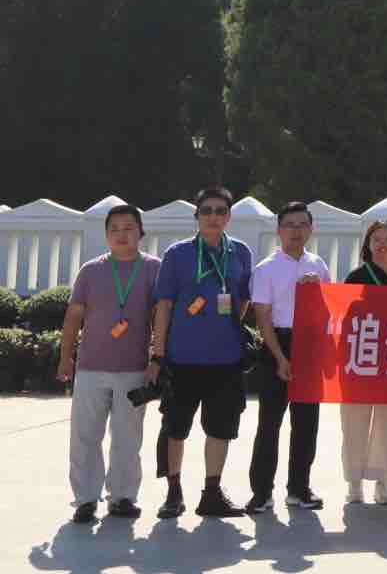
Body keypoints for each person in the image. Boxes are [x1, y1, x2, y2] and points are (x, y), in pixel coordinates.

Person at [149, 186, 256, 519]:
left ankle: (212, 493)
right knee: (175, 428)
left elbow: (243, 300)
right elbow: (164, 306)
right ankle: (173, 492)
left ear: (229, 216)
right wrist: (157, 354)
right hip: (182, 358)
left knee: (221, 428)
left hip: (226, 359)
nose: (213, 217)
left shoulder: (240, 252)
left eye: (220, 211)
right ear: (196, 216)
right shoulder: (177, 254)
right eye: (207, 210)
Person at [59, 203, 163, 523]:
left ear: (141, 232)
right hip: (91, 367)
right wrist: (65, 357)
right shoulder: (90, 270)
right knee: (85, 436)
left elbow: (161, 318)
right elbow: (74, 316)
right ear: (106, 235)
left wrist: (156, 359)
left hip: (134, 369)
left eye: (128, 228)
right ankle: (85, 499)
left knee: (127, 438)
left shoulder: (154, 269)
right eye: (114, 229)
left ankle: (122, 497)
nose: (121, 234)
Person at [246, 201, 331, 514]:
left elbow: (328, 311)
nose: (296, 231)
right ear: (279, 230)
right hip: (276, 344)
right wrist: (280, 357)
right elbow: (263, 318)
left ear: (311, 229)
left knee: (306, 422)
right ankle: (261, 492)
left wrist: (316, 290)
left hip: (309, 344)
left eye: (302, 225)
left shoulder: (318, 265)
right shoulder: (266, 268)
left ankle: (299, 488)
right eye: (290, 225)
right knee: (269, 422)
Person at [340, 219, 387, 504]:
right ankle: (354, 483)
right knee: (355, 422)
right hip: (362, 358)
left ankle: (384, 483)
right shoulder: (356, 276)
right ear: (368, 245)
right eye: (376, 240)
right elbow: (344, 318)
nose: (382, 244)